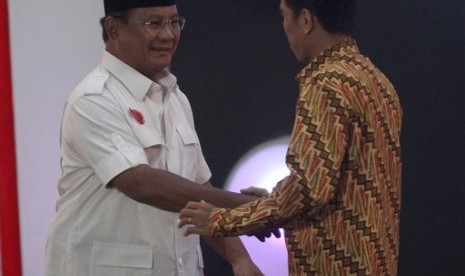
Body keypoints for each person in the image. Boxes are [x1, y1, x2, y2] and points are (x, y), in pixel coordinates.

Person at [179, 0, 403, 275]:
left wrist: (222, 220)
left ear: (306, 20)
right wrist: (273, 200)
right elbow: (342, 185)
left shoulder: (325, 83)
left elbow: (309, 190)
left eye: (285, 16)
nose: (284, 27)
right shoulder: (378, 81)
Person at [44, 0, 265, 275]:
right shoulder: (95, 98)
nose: (168, 35)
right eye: (155, 23)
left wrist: (238, 258)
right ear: (114, 29)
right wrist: (241, 206)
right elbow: (138, 182)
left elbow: (199, 189)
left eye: (174, 22)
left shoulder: (175, 99)